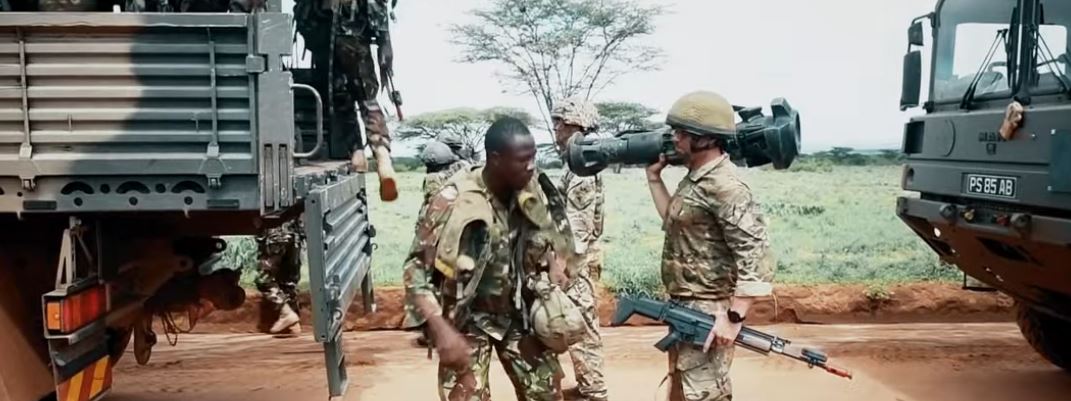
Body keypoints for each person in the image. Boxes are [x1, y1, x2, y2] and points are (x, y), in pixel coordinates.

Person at [402, 116, 577, 401]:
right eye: (523, 160)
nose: (531, 166)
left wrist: (553, 264)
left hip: (517, 313)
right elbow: (415, 268)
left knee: (546, 393)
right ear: (496, 159)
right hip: (466, 318)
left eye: (533, 158)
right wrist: (439, 328)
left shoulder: (530, 189)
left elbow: (541, 230)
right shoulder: (453, 199)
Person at [644, 91, 776, 401]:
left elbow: (757, 256)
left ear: (706, 139)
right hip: (683, 304)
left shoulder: (726, 187)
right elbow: (675, 221)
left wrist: (733, 318)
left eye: (681, 133)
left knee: (705, 393)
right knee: (680, 389)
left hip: (709, 310)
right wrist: (654, 179)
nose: (674, 139)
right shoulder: (696, 179)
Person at [294, 0, 402, 202]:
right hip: (353, 36)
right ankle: (381, 154)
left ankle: (356, 152)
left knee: (340, 100)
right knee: (367, 98)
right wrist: (384, 41)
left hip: (323, 36)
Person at [550, 97, 609, 401]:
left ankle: (594, 391)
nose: (555, 127)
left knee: (582, 326)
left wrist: (562, 267)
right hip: (573, 258)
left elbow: (577, 226)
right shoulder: (577, 160)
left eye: (559, 121)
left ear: (575, 124)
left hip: (576, 261)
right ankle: (588, 386)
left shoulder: (582, 164)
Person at [254, 220, 304, 336]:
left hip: (274, 233)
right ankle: (293, 324)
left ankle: (286, 313)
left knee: (263, 279)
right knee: (288, 280)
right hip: (294, 233)